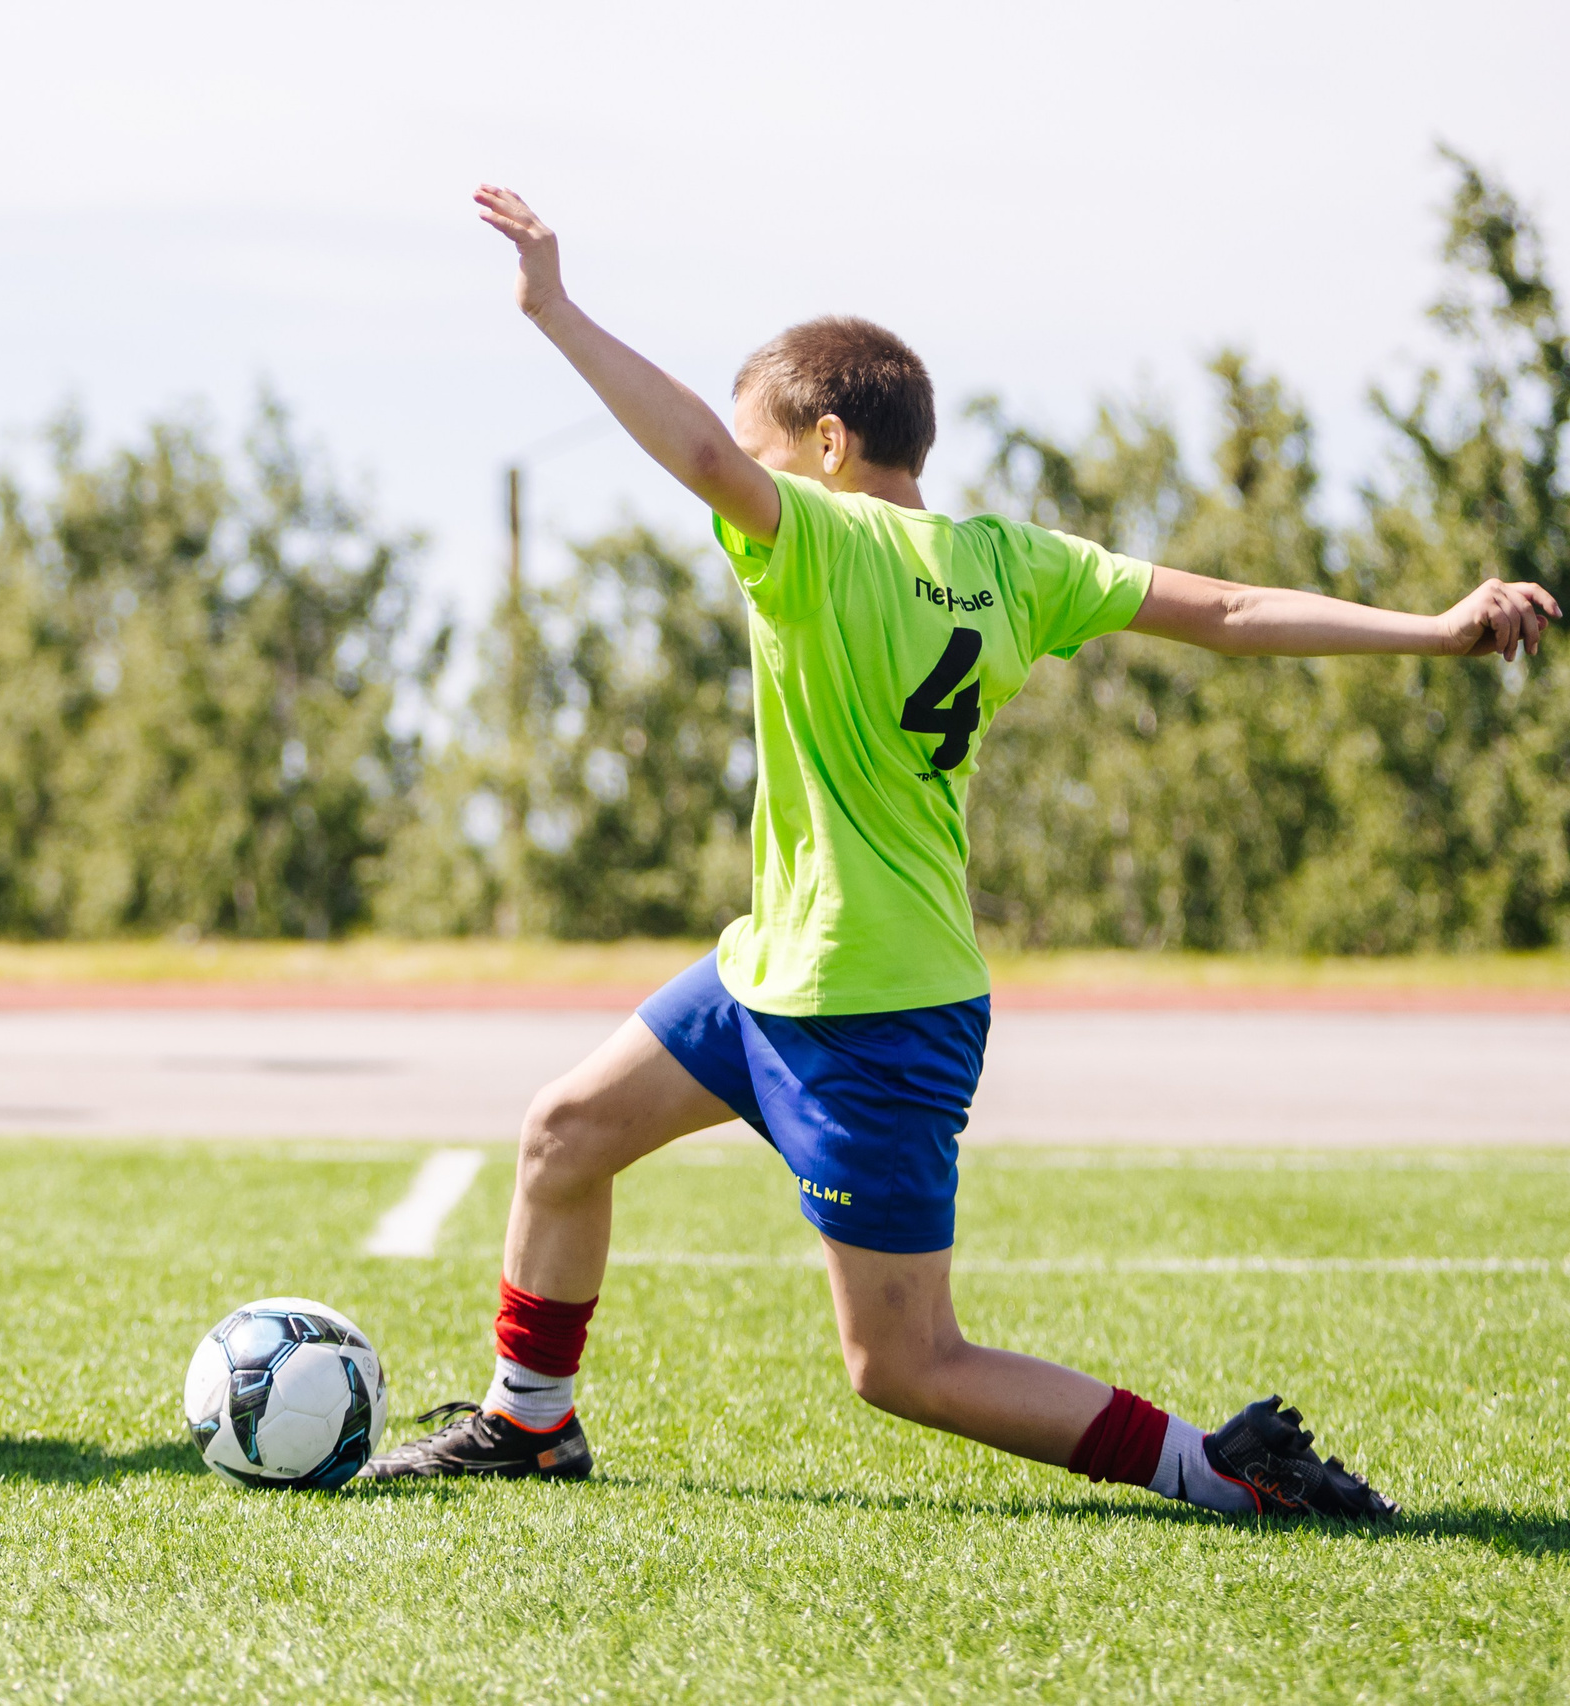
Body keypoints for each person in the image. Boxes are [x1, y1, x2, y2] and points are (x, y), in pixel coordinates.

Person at [363, 186, 1562, 1518]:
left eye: (770, 446)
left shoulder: (816, 536)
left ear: (824, 443)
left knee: (904, 1361)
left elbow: (705, 459)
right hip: (778, 966)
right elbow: (1227, 608)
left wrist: (554, 310)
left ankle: (1221, 1469)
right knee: (566, 1130)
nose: (750, 476)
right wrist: (1434, 627)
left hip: (873, 1002)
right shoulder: (1009, 561)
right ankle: (529, 1424)